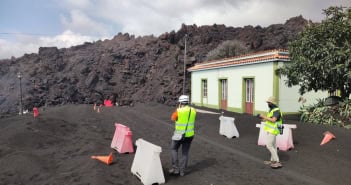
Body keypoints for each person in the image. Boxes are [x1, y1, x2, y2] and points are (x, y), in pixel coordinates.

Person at [169, 95, 197, 176]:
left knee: (174, 149)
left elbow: (173, 118)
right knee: (185, 153)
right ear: (188, 102)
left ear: (180, 102)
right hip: (190, 135)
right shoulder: (194, 110)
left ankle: (176, 169)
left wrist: (178, 109)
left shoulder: (178, 111)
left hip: (179, 134)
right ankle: (182, 171)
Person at [258, 96, 283, 169]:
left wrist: (264, 116)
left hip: (274, 130)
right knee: (273, 145)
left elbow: (274, 120)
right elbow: (270, 119)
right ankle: (273, 161)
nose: (267, 103)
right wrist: (264, 119)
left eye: (268, 102)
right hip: (271, 129)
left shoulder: (276, 110)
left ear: (272, 103)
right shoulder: (272, 110)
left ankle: (277, 162)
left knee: (269, 145)